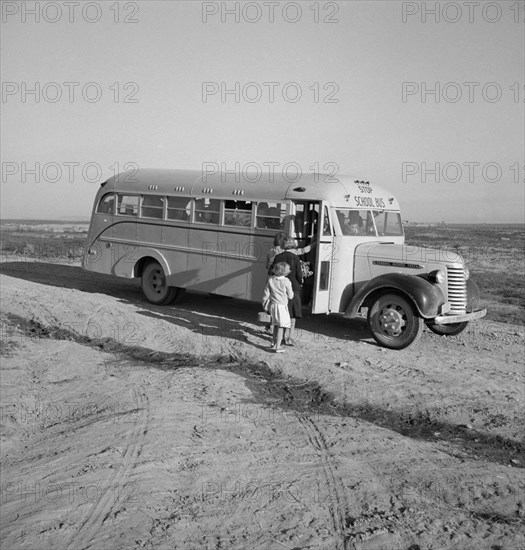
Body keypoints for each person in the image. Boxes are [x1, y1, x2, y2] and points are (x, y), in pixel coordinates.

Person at [273, 237, 303, 346]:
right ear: (293, 245)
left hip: (279, 287)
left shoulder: (278, 257)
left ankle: (277, 338)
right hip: (293, 287)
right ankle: (289, 337)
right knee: (292, 314)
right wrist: (300, 282)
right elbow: (299, 275)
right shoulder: (296, 258)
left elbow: (271, 271)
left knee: (280, 314)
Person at [262, 262, 294, 353]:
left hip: (272, 305)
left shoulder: (270, 279)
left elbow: (266, 293)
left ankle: (273, 342)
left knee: (275, 325)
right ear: (285, 272)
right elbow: (291, 296)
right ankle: (278, 346)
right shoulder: (286, 281)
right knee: (281, 326)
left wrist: (265, 304)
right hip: (282, 306)